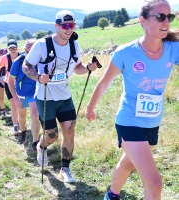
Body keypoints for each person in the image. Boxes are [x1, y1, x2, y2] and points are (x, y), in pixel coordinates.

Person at [85, 1, 178, 199]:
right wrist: (90, 108)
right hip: (129, 121)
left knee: (129, 163)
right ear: (143, 21)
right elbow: (104, 83)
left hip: (153, 122)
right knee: (154, 184)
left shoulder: (173, 48)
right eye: (160, 16)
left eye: (169, 17)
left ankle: (111, 194)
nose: (166, 22)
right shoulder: (126, 53)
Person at [22, 10, 98, 183]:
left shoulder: (74, 45)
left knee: (69, 131)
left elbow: (77, 67)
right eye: (65, 26)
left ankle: (65, 168)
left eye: (72, 25)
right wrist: (38, 78)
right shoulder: (42, 45)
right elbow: (27, 66)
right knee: (51, 136)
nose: (69, 29)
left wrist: (87, 67)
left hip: (65, 97)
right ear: (56, 26)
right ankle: (41, 146)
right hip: (45, 97)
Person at [8, 40, 40, 149]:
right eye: (28, 50)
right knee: (22, 117)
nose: (30, 52)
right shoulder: (18, 62)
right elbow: (9, 80)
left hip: (34, 93)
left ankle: (35, 142)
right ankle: (23, 132)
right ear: (25, 50)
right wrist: (15, 98)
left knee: (35, 116)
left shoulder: (40, 60)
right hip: (21, 94)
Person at [0, 39, 21, 136]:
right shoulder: (4, 58)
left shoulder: (22, 56)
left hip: (20, 83)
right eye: (11, 48)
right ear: (8, 49)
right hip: (9, 83)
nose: (13, 49)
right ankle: (15, 125)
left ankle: (21, 122)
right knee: (14, 104)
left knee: (21, 104)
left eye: (14, 47)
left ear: (17, 47)